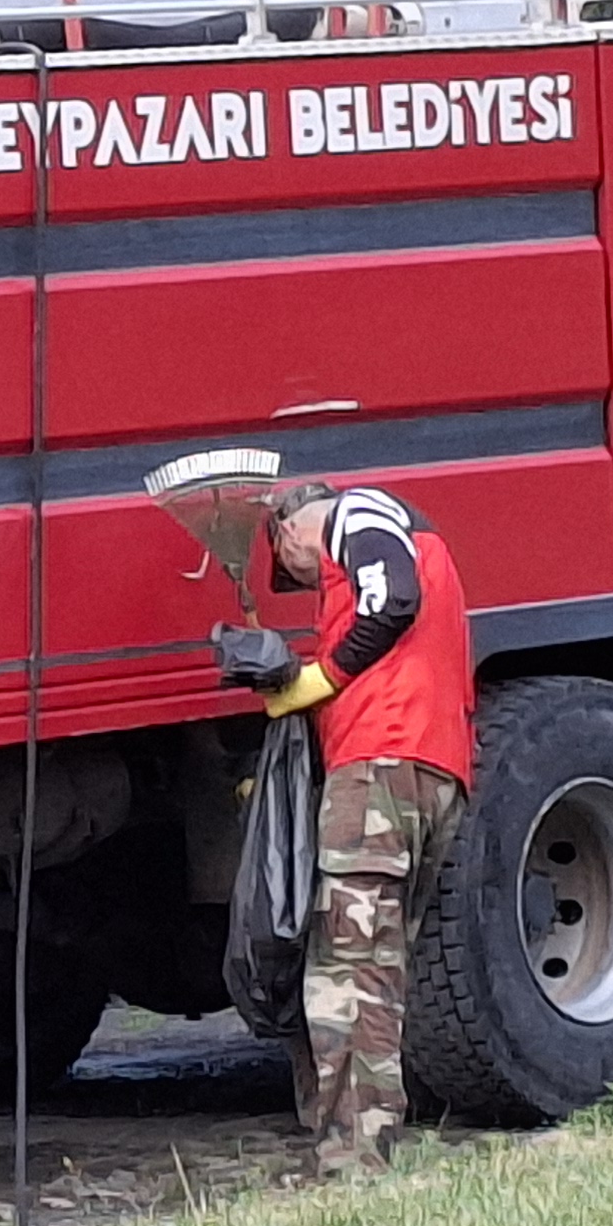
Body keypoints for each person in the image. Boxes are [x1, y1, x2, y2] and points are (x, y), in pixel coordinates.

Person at [211, 482, 477, 1175]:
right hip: (432, 768)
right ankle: (366, 1138)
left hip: (380, 767)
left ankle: (356, 1159)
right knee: (377, 967)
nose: (305, 578)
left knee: (349, 976)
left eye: (293, 569)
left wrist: (322, 677)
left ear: (289, 530)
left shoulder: (357, 514)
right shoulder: (415, 539)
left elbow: (392, 600)